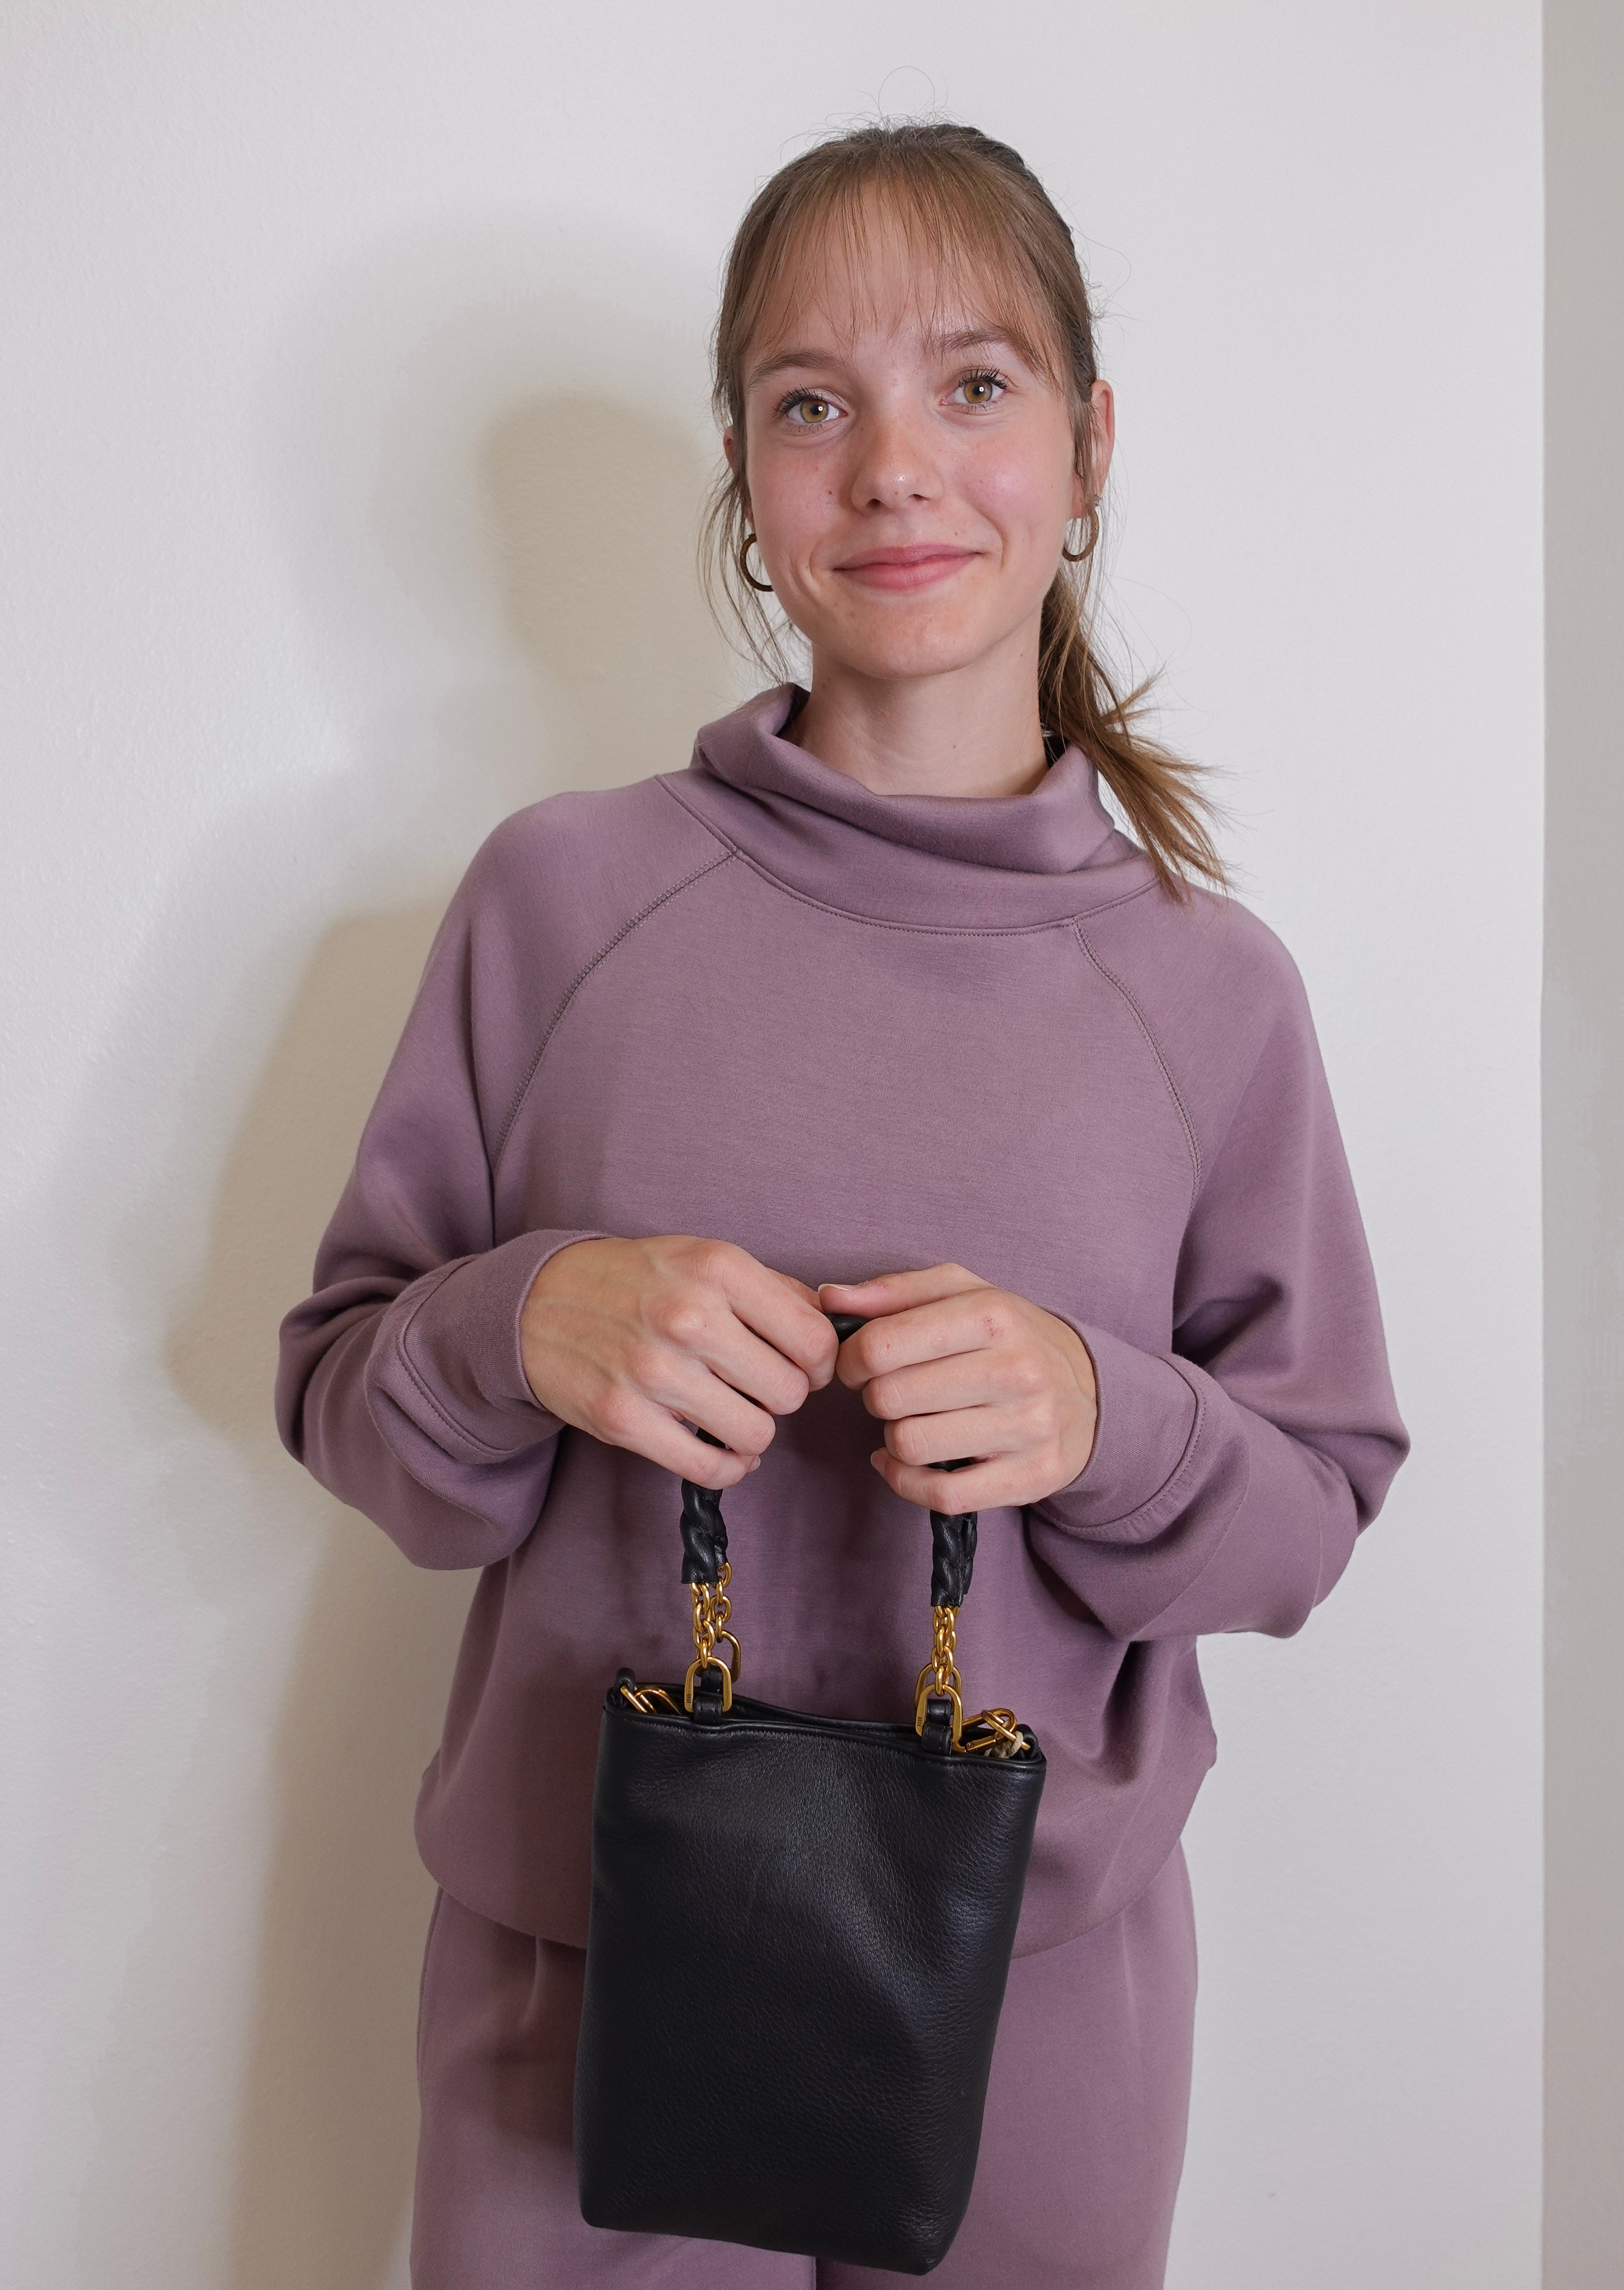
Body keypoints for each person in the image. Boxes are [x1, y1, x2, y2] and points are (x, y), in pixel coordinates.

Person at [276, 120, 1409, 2290]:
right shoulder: (561, 899)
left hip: (1040, 2013)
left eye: (971, 385)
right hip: (577, 1992)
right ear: (748, 479)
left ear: (1087, 446)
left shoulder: (1208, 990)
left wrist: (1109, 1412)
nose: (894, 463)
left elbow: (1314, 1508)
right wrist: (519, 1320)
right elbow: (344, 1396)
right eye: (815, 402)